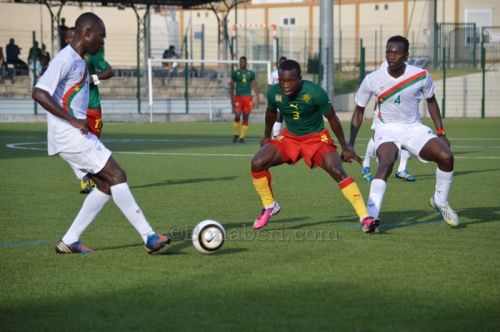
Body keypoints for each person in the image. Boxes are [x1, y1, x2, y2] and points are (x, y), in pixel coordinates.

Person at [31, 12, 171, 254]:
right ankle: (148, 236)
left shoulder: (79, 60)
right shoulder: (65, 60)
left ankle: (70, 240)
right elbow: (39, 92)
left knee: (106, 185)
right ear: (87, 34)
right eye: (101, 36)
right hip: (70, 135)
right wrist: (72, 120)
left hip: (71, 135)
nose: (103, 42)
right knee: (117, 174)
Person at [250, 59, 380, 234]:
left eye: (291, 81)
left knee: (337, 169)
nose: (286, 85)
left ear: (300, 79)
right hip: (290, 137)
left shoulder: (315, 92)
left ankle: (365, 217)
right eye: (282, 81)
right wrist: (267, 135)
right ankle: (269, 205)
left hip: (317, 138)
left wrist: (345, 147)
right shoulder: (274, 92)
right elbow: (271, 112)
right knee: (257, 162)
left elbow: (333, 118)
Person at [348, 35, 458, 227]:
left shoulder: (421, 75)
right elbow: (358, 111)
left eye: (397, 53)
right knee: (387, 162)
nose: (392, 57)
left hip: (413, 128)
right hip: (386, 128)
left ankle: (440, 201)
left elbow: (431, 102)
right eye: (388, 52)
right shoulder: (372, 79)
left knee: (446, 157)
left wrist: (441, 132)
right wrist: (350, 143)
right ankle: (370, 217)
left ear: (406, 55)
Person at [362, 102, 416, 182]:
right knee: (377, 134)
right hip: (384, 107)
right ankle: (366, 165)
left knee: (405, 133)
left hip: (400, 108)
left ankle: (401, 169)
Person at [230, 56, 260, 143]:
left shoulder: (250, 73)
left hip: (248, 97)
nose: (242, 63)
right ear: (239, 63)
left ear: (246, 63)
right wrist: (232, 98)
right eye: (241, 62)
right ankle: (236, 134)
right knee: (237, 115)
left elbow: (254, 85)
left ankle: (242, 137)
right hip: (238, 97)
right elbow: (232, 86)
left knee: (246, 118)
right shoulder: (235, 73)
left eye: (244, 62)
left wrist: (257, 96)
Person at [267, 56, 287, 137]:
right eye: (282, 63)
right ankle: (276, 134)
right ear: (279, 64)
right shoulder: (274, 74)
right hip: (278, 95)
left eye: (284, 63)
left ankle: (280, 133)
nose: (283, 65)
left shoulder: (289, 74)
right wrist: (270, 95)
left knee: (283, 114)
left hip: (287, 96)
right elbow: (270, 85)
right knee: (278, 113)